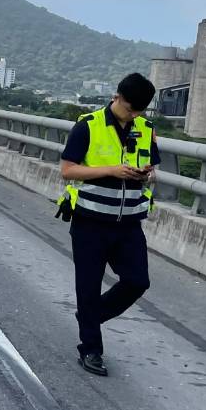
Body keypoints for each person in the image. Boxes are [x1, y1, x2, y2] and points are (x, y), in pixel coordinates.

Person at [57, 73, 157, 377]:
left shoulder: (146, 129)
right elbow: (67, 170)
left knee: (137, 281)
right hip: (91, 220)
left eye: (140, 111)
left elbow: (154, 168)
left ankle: (90, 316)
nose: (134, 115)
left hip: (128, 222)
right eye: (130, 109)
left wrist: (146, 174)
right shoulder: (88, 126)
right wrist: (113, 170)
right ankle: (91, 350)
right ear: (117, 97)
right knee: (88, 286)